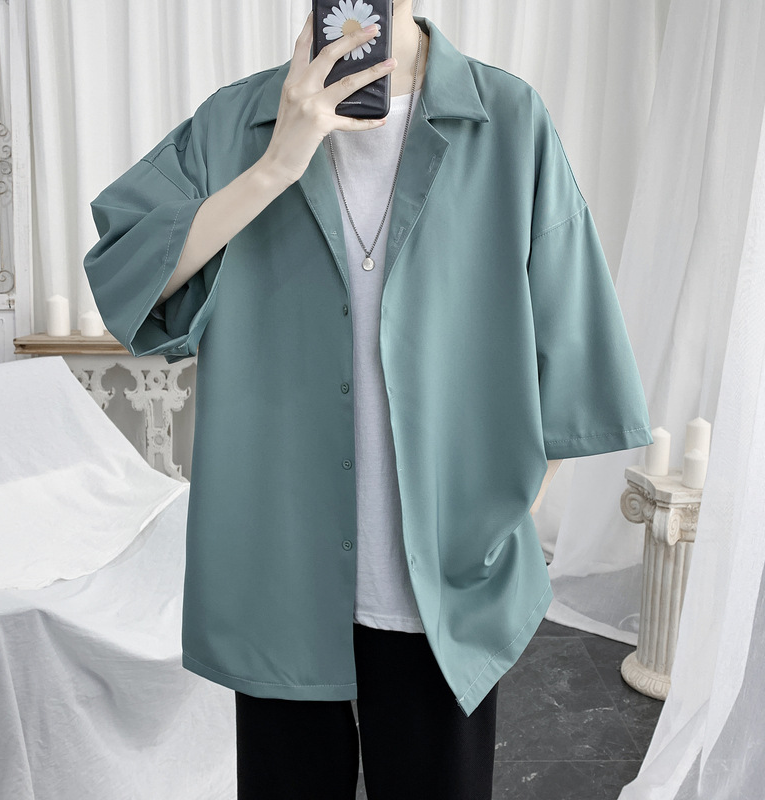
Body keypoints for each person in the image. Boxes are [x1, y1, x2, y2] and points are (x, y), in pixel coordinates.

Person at [83, 1, 654, 798]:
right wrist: (276, 164)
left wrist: (504, 515)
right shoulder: (237, 123)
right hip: (279, 574)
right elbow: (124, 270)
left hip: (444, 584)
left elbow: (572, 341)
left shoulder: (508, 120)